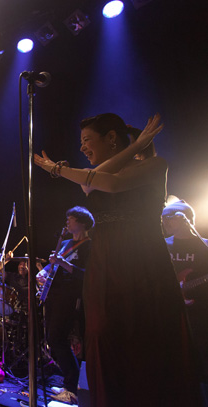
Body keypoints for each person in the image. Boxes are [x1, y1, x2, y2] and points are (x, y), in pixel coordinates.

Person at [34, 113, 201, 406]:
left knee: (145, 340)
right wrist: (134, 146)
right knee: (104, 337)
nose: (82, 147)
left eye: (87, 140)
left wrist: (56, 169)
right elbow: (88, 185)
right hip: (105, 265)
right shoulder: (99, 174)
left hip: (142, 263)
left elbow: (110, 185)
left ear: (111, 138)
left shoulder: (155, 165)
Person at [36, 206, 93, 404]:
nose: (67, 222)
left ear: (82, 222)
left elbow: (85, 275)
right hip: (54, 294)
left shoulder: (89, 246)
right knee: (52, 339)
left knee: (57, 338)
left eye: (71, 219)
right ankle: (69, 383)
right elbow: (54, 263)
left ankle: (71, 387)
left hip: (69, 296)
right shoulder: (67, 243)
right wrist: (44, 271)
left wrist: (62, 262)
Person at [162, 199, 208, 404]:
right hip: (167, 312)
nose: (164, 221)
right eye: (163, 217)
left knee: (201, 359)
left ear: (184, 218)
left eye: (169, 217)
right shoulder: (163, 245)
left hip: (199, 314)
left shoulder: (205, 246)